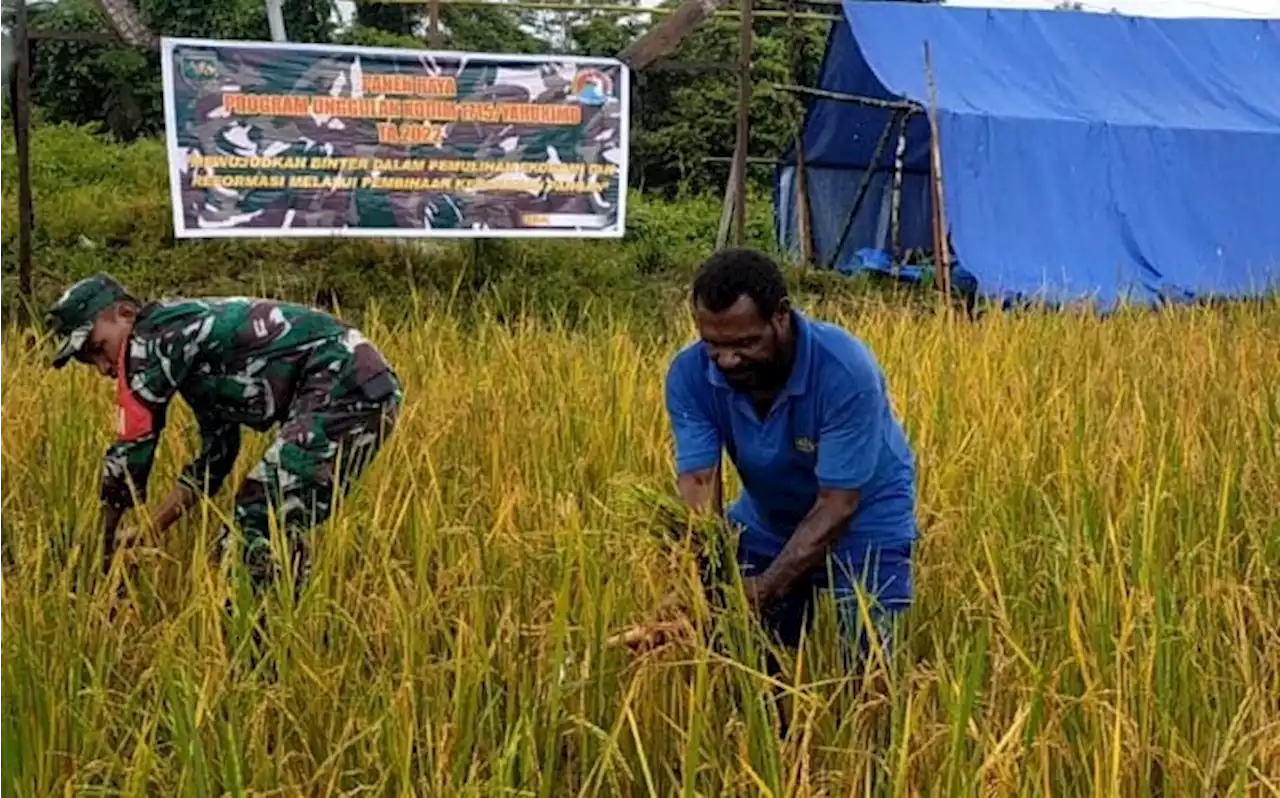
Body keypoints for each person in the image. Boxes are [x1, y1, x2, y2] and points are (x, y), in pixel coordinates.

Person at [43, 273, 403, 597]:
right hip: (360, 387)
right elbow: (216, 459)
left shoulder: (153, 338)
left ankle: (262, 642)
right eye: (89, 363)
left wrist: (99, 546)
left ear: (125, 314)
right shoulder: (192, 360)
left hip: (346, 381)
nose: (105, 368)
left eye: (98, 348)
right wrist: (151, 529)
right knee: (270, 521)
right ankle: (290, 626)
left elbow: (132, 448)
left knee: (256, 519)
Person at [663, 248, 918, 665]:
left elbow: (839, 503)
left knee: (865, 662)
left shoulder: (843, 370)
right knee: (748, 654)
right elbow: (699, 483)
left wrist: (763, 590)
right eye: (713, 345)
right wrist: (704, 576)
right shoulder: (690, 376)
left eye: (746, 343)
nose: (727, 360)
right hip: (769, 515)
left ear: (781, 316)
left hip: (864, 515)